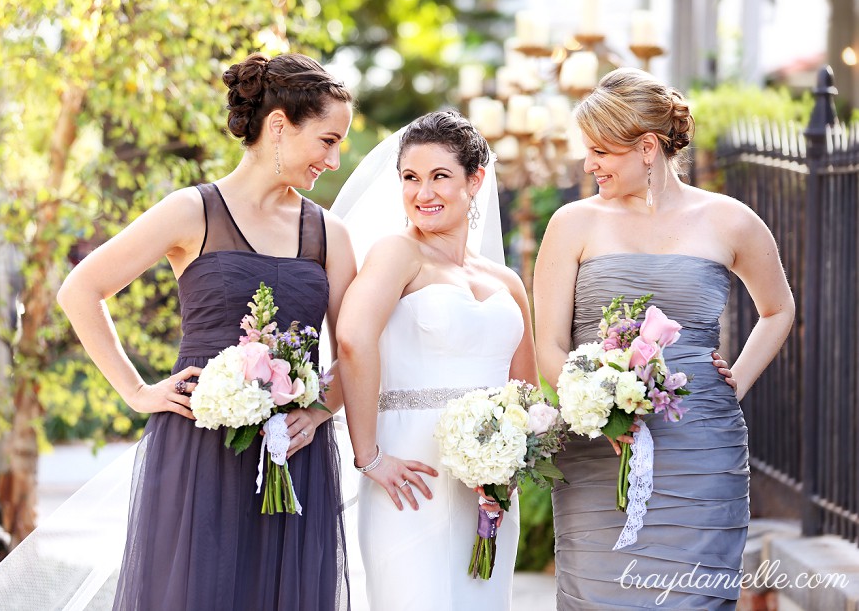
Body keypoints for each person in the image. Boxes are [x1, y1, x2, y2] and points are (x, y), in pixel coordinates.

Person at [56, 52, 356, 610]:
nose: (334, 160)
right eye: (327, 140)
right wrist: (137, 392)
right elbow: (80, 291)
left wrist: (318, 412)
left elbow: (355, 352)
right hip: (198, 454)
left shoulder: (329, 235)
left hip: (295, 458)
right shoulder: (191, 211)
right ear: (278, 126)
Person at [533, 67, 794, 609]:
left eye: (601, 151)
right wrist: (600, 410)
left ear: (647, 147)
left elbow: (778, 309)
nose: (589, 165)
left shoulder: (730, 221)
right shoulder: (572, 223)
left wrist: (735, 381)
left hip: (701, 448)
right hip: (599, 454)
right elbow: (550, 347)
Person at [334, 111, 537, 610]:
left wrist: (508, 465)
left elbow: (525, 391)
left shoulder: (506, 282)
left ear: (475, 180)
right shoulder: (397, 254)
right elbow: (353, 340)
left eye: (439, 176)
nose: (422, 192)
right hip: (411, 476)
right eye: (410, 178)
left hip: (487, 487)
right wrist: (369, 456)